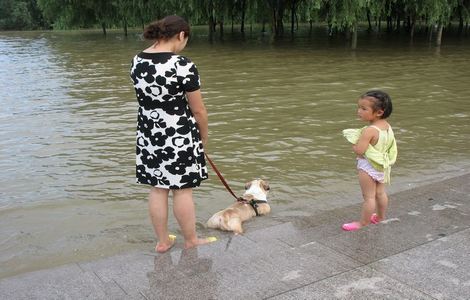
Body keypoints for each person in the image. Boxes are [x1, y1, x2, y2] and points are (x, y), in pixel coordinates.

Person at [130, 15, 215, 252]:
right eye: (185, 40)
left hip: (148, 133)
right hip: (178, 134)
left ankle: (162, 241)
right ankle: (190, 240)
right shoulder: (182, 65)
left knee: (157, 188)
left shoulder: (137, 61)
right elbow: (198, 110)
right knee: (182, 189)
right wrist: (203, 136)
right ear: (181, 35)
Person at [341, 90, 398, 231]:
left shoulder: (369, 131)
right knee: (380, 193)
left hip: (367, 167)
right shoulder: (386, 126)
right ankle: (380, 217)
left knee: (369, 197)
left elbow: (360, 150)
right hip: (382, 165)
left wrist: (354, 143)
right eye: (359, 107)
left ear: (379, 112)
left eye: (363, 108)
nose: (359, 111)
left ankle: (363, 223)